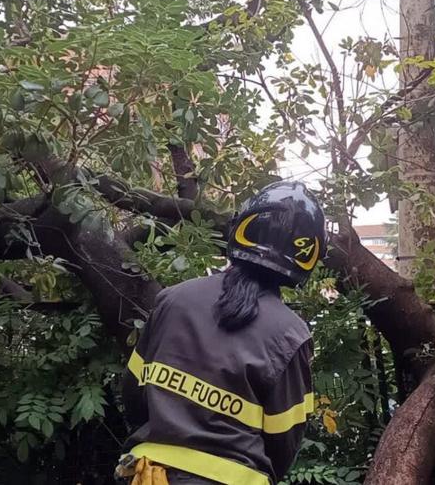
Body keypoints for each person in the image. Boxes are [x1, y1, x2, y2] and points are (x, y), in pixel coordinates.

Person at [117, 180, 326, 485]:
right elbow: (283, 441)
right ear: (308, 254)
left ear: (241, 227)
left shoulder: (173, 299)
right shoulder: (291, 334)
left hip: (149, 474)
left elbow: (133, 395)